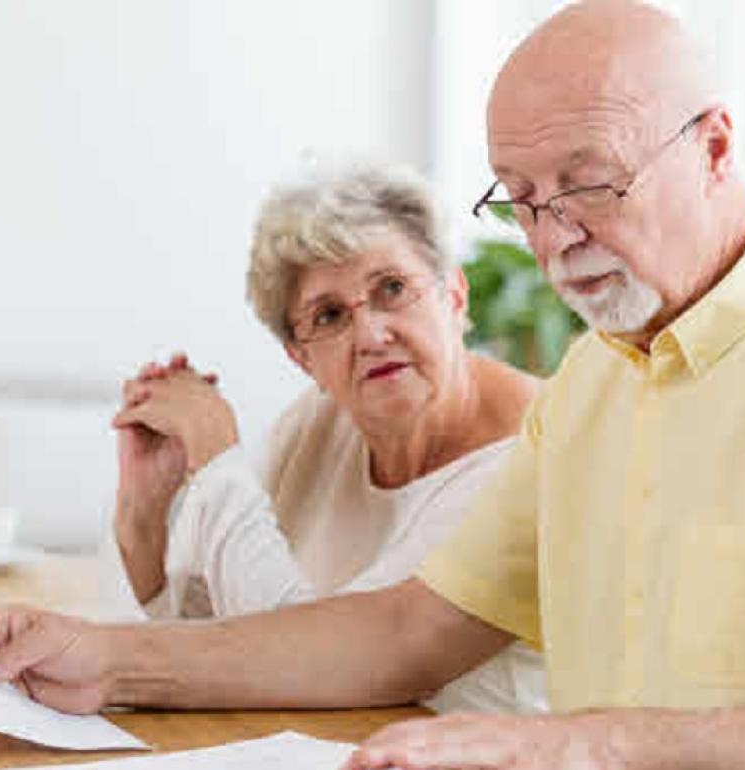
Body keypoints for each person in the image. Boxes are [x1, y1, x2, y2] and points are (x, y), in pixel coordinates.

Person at [0, 2, 745, 767]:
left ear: (716, 147)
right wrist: (109, 658)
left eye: (589, 181)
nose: (556, 237)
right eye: (520, 198)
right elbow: (402, 632)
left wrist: (580, 743)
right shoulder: (591, 386)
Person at [108, 164, 544, 713]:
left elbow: (320, 674)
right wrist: (143, 514)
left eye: (392, 288)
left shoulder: (535, 451)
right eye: (330, 315)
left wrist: (218, 458)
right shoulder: (322, 421)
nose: (370, 335)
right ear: (301, 357)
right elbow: (209, 634)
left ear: (454, 295)